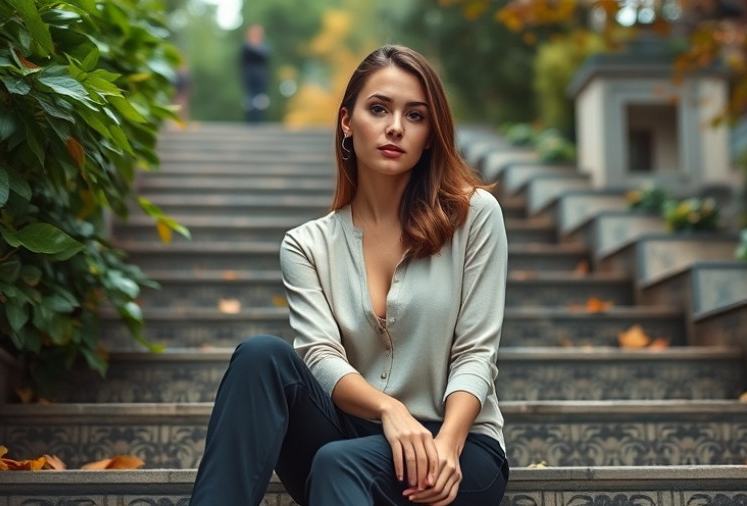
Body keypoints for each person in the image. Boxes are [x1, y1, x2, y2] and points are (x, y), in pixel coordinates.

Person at [190, 45, 509, 505]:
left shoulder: (474, 216)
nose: (395, 126)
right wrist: (388, 409)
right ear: (346, 121)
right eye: (378, 109)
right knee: (261, 356)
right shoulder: (306, 245)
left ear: (429, 135)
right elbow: (320, 356)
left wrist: (447, 445)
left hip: (459, 446)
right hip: (349, 432)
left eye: (415, 116)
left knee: (339, 462)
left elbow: (477, 353)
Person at [240, 24, 270, 122]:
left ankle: (258, 121)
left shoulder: (264, 46)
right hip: (249, 76)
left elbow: (266, 57)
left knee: (260, 100)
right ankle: (251, 121)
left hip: (261, 77)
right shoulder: (246, 46)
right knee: (250, 100)